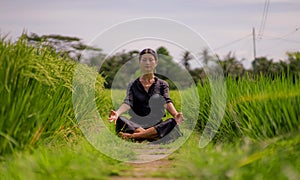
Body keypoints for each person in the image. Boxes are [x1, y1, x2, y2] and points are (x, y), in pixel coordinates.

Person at [108, 48, 184, 143]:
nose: (147, 63)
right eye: (144, 60)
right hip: (137, 123)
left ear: (156, 62)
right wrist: (117, 113)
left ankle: (136, 136)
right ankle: (153, 136)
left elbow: (166, 101)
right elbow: (128, 101)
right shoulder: (133, 84)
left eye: (150, 60)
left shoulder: (162, 84)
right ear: (139, 63)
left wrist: (175, 114)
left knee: (172, 122)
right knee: (120, 120)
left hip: (156, 124)